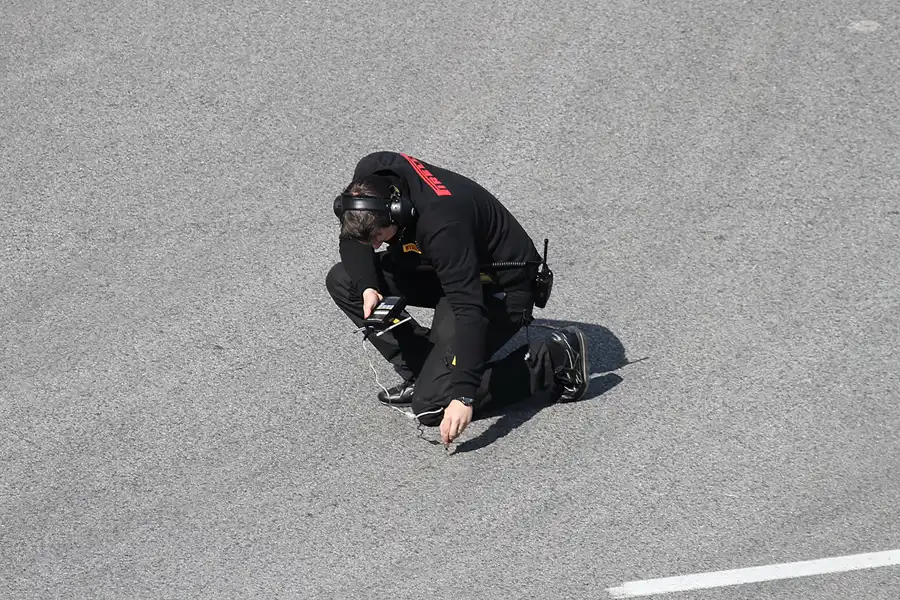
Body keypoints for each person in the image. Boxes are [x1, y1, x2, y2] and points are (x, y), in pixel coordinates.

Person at [325, 151, 589, 446]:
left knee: (431, 406)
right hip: (444, 269)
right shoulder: (370, 178)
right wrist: (367, 287)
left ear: (397, 212)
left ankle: (555, 357)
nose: (375, 245)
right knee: (344, 280)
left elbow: (469, 310)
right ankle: (423, 372)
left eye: (378, 237)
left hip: (498, 289)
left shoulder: (442, 225)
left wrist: (464, 395)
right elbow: (353, 239)